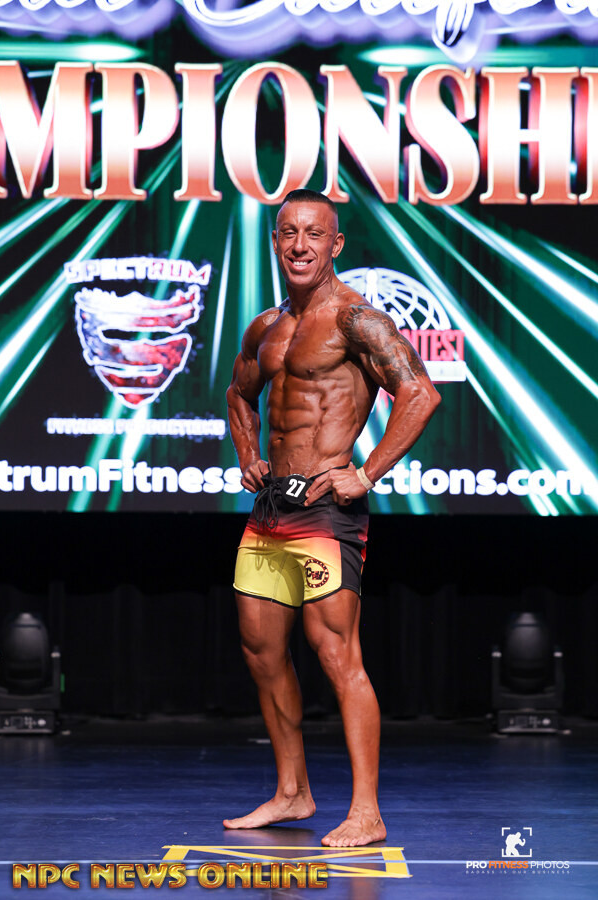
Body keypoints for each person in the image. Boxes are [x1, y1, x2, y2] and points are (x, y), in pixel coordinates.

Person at [225, 189, 441, 847]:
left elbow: (420, 393)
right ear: (275, 240)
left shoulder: (357, 319)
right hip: (271, 508)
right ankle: (292, 792)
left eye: (314, 234)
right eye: (288, 232)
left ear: (335, 244)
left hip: (326, 511)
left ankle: (367, 812)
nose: (299, 245)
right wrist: (248, 455)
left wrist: (366, 473)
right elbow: (239, 395)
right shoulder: (266, 328)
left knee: (336, 653)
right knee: (262, 652)